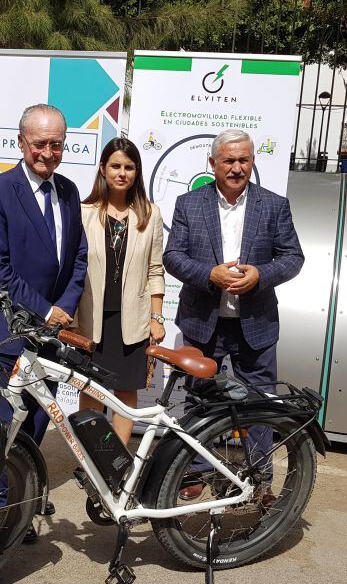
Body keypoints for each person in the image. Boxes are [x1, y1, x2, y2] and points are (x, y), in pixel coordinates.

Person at [162, 128, 304, 503]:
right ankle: (195, 472)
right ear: (213, 163)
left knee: (258, 404)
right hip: (202, 322)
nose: (237, 168)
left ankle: (260, 483)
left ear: (253, 161)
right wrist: (209, 274)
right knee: (197, 401)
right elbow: (172, 257)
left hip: (255, 325)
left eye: (244, 160)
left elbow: (293, 258)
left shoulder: (274, 205)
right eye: (229, 160)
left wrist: (261, 275)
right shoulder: (188, 204)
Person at [0, 104, 88, 540]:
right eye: (39, 143)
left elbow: (78, 257)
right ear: (21, 142)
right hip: (14, 329)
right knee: (8, 419)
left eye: (56, 143)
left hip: (52, 332)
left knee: (40, 419)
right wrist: (45, 310)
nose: (48, 152)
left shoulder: (70, 191)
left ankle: (19, 494)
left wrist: (64, 307)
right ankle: (2, 501)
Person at [74, 137, 166, 444]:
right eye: (115, 166)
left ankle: (117, 461)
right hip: (92, 319)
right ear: (103, 169)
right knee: (91, 389)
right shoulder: (84, 212)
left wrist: (157, 318)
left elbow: (155, 270)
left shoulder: (150, 215)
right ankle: (91, 458)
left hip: (133, 322)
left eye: (129, 167)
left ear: (137, 172)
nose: (122, 173)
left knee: (126, 391)